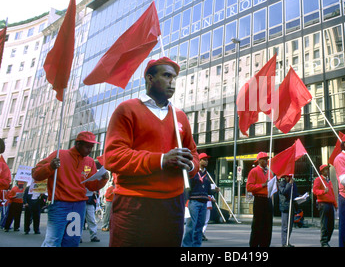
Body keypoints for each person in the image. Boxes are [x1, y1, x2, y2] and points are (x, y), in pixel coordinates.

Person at [104, 57, 199, 247]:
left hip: (173, 204)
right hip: (134, 202)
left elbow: (194, 154)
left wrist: (190, 164)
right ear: (149, 78)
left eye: (174, 77)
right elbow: (113, 156)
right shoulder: (127, 109)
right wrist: (162, 159)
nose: (172, 81)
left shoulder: (179, 116)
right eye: (166, 75)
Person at [32, 131, 109, 247]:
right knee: (53, 241)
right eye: (87, 146)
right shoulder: (59, 155)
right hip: (59, 204)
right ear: (77, 144)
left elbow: (92, 186)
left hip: (79, 206)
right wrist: (50, 166)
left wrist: (103, 179)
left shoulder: (89, 162)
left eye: (92, 147)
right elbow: (36, 174)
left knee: (72, 242)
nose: (90, 150)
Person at [182, 153, 218, 247]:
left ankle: (196, 245)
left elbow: (207, 190)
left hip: (203, 202)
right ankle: (186, 245)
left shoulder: (207, 174)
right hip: (194, 201)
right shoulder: (193, 172)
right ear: (199, 160)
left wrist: (214, 191)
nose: (206, 161)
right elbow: (187, 187)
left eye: (207, 160)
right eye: (204, 159)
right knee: (191, 226)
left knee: (199, 226)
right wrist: (186, 200)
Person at [246, 152, 273, 247]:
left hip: (268, 199)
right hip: (259, 200)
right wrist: (262, 185)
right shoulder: (254, 171)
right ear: (259, 161)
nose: (266, 161)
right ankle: (254, 244)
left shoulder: (269, 172)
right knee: (258, 225)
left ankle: (265, 244)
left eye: (267, 159)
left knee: (268, 225)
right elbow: (249, 187)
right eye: (264, 159)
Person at [313, 164, 337, 247]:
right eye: (326, 169)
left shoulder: (329, 181)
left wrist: (335, 204)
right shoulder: (318, 180)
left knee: (331, 225)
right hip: (323, 203)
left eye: (328, 169)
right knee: (324, 224)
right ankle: (324, 242)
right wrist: (323, 192)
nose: (327, 171)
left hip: (330, 204)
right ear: (322, 171)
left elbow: (332, 194)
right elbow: (315, 191)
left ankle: (327, 240)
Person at [278, 174, 299, 247]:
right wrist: (289, 184)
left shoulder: (293, 184)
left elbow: (295, 194)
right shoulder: (282, 183)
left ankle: (287, 240)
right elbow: (284, 191)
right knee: (285, 226)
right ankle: (284, 243)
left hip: (292, 206)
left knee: (290, 226)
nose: (289, 178)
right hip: (285, 207)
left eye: (290, 177)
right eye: (287, 177)